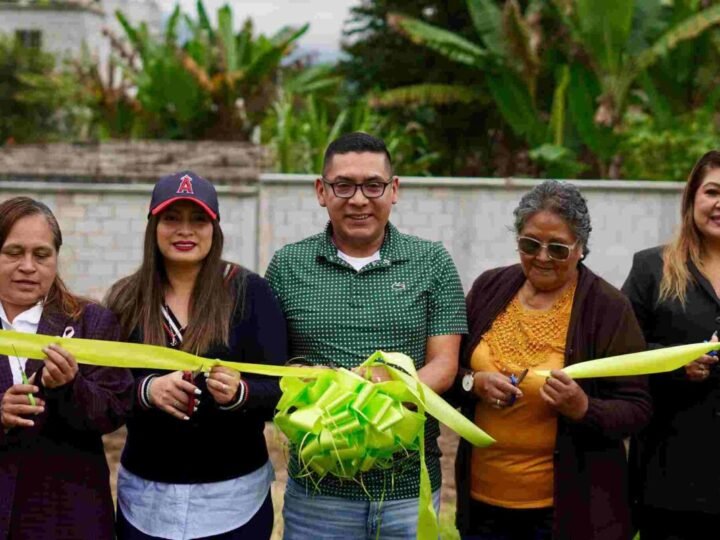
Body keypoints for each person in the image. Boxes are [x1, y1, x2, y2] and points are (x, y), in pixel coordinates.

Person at [265, 132, 467, 539]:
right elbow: (270, 366)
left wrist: (378, 388)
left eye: (373, 185)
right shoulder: (288, 266)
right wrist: (318, 380)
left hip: (408, 492)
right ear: (322, 191)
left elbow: (444, 365)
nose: (359, 199)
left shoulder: (432, 263)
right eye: (344, 185)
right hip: (319, 495)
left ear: (394, 190)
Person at [454, 181, 652, 540]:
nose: (542, 257)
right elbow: (450, 373)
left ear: (580, 249)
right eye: (530, 244)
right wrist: (473, 383)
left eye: (558, 248)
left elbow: (637, 408)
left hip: (566, 515)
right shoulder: (488, 288)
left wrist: (582, 407)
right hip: (483, 507)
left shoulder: (607, 308)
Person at [105, 171, 287, 540]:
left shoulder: (250, 293)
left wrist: (242, 394)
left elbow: (283, 390)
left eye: (198, 219)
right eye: (171, 218)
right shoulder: (125, 299)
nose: (184, 230)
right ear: (153, 226)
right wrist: (147, 391)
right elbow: (106, 392)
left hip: (234, 497)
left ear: (214, 228)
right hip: (145, 497)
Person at [0, 196, 133, 539]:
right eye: (13, 252)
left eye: (41, 254)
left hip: (67, 514)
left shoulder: (90, 322)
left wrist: (70, 386)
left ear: (57, 258)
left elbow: (114, 409)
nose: (28, 266)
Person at [622, 150, 720, 540]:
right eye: (712, 191)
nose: (719, 204)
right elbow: (620, 354)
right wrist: (676, 366)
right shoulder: (652, 268)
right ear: (692, 198)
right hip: (670, 477)